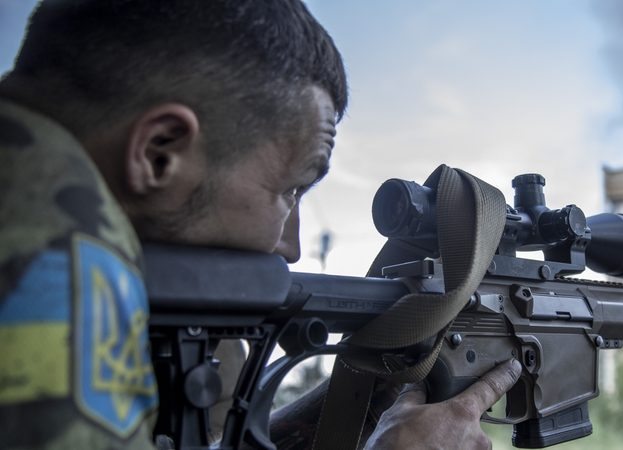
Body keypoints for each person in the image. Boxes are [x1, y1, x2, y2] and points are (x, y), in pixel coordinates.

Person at [0, 1, 522, 449]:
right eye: (290, 190)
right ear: (160, 152)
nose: (291, 246)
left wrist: (382, 379)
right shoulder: (48, 258)